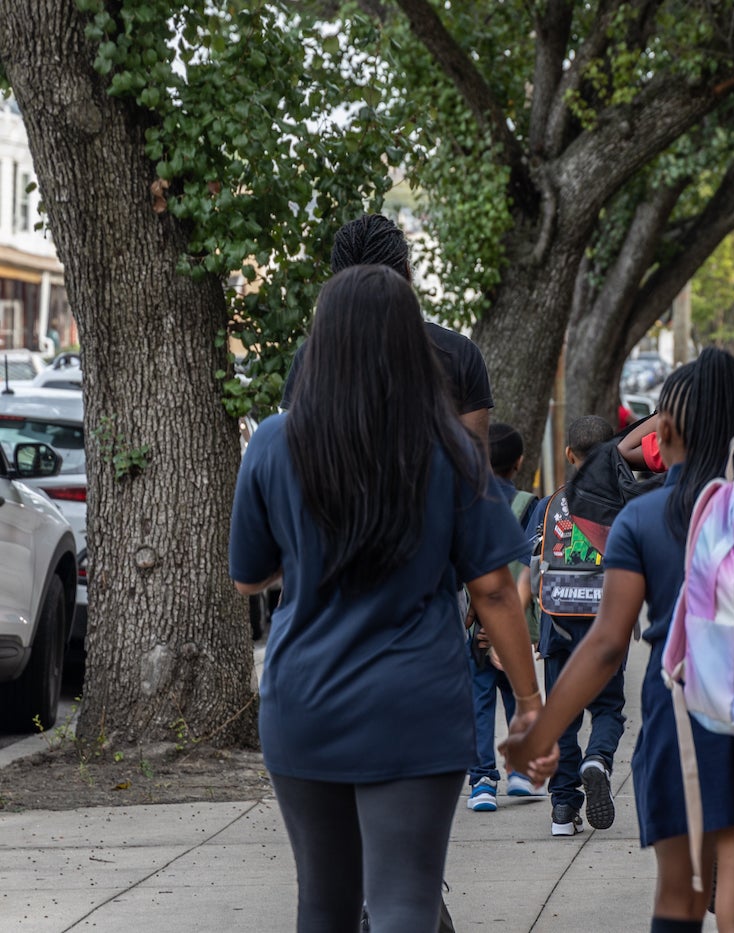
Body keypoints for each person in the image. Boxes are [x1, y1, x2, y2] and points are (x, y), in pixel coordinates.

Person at [229, 265, 555, 932]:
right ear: (411, 345)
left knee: (323, 904)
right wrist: (527, 704)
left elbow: (248, 576)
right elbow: (493, 587)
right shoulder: (452, 451)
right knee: (406, 899)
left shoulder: (271, 442)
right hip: (415, 703)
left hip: (305, 700)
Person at [503, 349, 734, 933]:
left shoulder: (644, 520)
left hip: (684, 725)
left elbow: (604, 646)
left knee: (680, 898)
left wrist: (539, 733)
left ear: (666, 429)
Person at [280, 214, 495, 444]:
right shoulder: (459, 354)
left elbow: (292, 454)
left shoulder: (312, 356)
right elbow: (475, 467)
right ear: (407, 272)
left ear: (338, 282)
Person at [525, 414, 628, 837]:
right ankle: (597, 760)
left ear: (569, 455)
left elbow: (531, 568)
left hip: (558, 623)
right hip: (605, 624)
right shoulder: (622, 504)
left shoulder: (548, 505)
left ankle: (563, 808)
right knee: (607, 707)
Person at [466, 422, 547, 812]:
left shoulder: (466, 501)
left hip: (476, 628)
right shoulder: (532, 506)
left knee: (479, 702)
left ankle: (481, 780)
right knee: (519, 698)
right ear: (518, 463)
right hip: (514, 626)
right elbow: (526, 569)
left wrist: (480, 626)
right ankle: (522, 772)